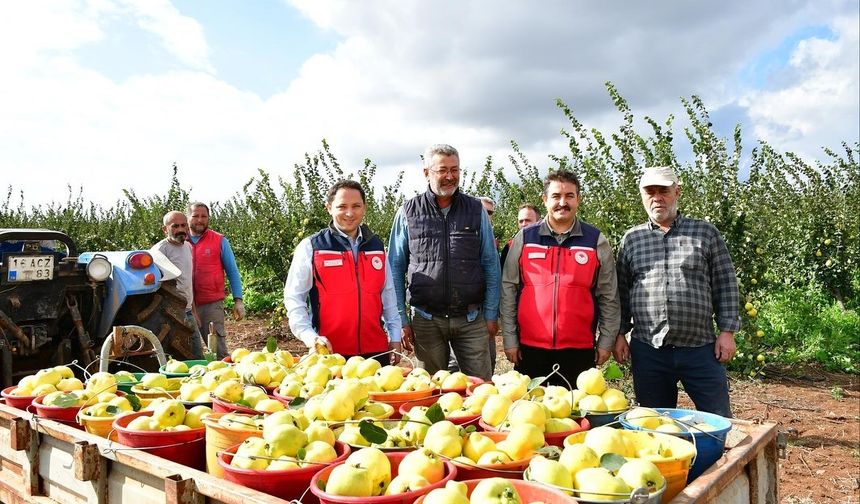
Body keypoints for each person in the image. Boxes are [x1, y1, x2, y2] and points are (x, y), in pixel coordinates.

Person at [614, 166, 740, 417]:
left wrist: (727, 332)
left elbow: (725, 283)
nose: (657, 198)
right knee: (654, 423)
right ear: (642, 195)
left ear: (677, 192)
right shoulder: (632, 239)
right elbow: (622, 292)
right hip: (649, 349)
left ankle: (717, 445)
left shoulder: (704, 233)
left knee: (717, 419)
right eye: (650, 192)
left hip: (700, 347)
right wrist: (619, 333)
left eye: (663, 191)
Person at [388, 144, 500, 380]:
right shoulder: (408, 212)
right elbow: (395, 268)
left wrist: (491, 313)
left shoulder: (476, 210)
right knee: (429, 388)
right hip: (426, 320)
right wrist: (400, 319)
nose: (450, 176)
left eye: (455, 170)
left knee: (480, 389)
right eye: (442, 170)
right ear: (426, 173)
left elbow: (490, 263)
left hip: (471, 319)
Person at [500, 170, 620, 386]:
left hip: (579, 350)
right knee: (529, 407)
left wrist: (606, 340)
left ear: (578, 199)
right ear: (545, 200)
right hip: (530, 348)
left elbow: (608, 295)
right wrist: (509, 338)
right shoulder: (524, 238)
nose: (562, 203)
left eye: (569, 196)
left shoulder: (596, 241)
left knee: (576, 407)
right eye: (556, 196)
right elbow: (508, 289)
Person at [283, 180, 402, 364]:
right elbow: (294, 297)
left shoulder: (377, 246)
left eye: (356, 206)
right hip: (331, 353)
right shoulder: (312, 247)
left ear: (364, 208)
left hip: (376, 353)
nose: (349, 213)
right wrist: (310, 336)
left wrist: (394, 336)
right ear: (329, 208)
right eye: (342, 206)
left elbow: (388, 296)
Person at [187, 202, 245, 359]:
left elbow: (232, 271)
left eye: (204, 216)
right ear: (188, 217)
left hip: (210, 304)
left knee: (217, 349)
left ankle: (224, 372)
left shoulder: (219, 240)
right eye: (195, 216)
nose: (200, 220)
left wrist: (238, 300)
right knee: (186, 349)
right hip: (183, 304)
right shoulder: (179, 240)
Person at [151, 211, 204, 359]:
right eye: (175, 226)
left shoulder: (188, 247)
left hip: (187, 311)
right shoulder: (159, 251)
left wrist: (193, 311)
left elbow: (187, 281)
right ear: (165, 229)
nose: (180, 229)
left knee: (197, 354)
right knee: (176, 356)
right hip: (170, 314)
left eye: (183, 225)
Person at [500, 203, 541, 267]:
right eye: (521, 221)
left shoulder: (548, 245)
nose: (524, 224)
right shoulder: (510, 247)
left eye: (528, 220)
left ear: (539, 222)